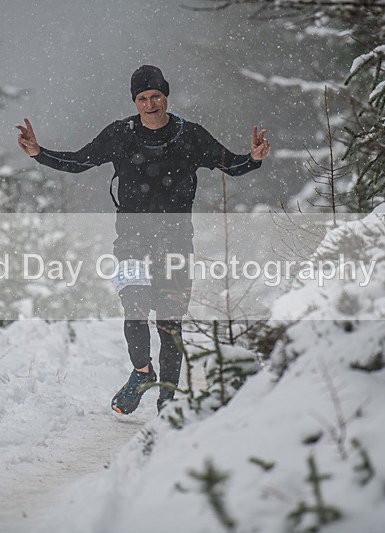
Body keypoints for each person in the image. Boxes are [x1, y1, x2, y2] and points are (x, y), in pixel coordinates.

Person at [16, 65, 268, 415]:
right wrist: (38, 153)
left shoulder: (190, 136)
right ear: (134, 102)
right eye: (142, 98)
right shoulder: (121, 135)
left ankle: (167, 403)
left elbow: (231, 165)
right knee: (133, 311)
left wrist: (253, 159)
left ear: (166, 96)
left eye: (155, 96)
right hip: (131, 242)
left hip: (177, 244)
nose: (149, 104)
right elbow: (79, 161)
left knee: (169, 326)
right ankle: (142, 372)